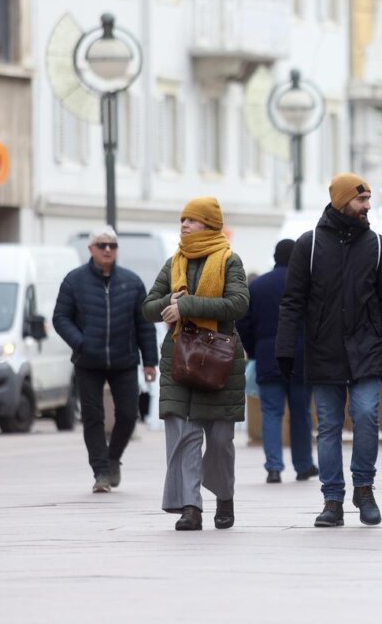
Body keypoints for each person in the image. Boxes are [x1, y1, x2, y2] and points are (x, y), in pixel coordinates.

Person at [276, 173, 382, 527]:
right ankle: (332, 498)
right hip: (324, 350)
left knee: (366, 417)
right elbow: (292, 302)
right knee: (330, 426)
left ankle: (364, 488)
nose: (367, 207)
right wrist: (286, 349)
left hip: (366, 349)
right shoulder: (310, 245)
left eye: (368, 201)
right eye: (360, 200)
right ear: (341, 201)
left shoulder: (377, 245)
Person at [142, 198, 249, 531]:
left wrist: (186, 305)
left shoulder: (229, 260)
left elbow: (238, 303)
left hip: (219, 360)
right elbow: (148, 307)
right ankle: (190, 506)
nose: (185, 225)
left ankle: (224, 496)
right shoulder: (173, 262)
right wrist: (169, 302)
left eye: (193, 220)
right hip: (179, 359)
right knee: (184, 436)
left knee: (219, 440)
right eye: (183, 220)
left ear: (210, 225)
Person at [52, 225, 158, 494]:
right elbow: (60, 318)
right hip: (88, 360)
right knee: (93, 416)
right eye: (102, 245)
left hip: (124, 359)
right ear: (91, 249)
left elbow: (144, 324)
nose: (108, 249)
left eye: (112, 245)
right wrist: (81, 342)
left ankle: (113, 458)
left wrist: (150, 362)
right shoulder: (74, 281)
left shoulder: (132, 282)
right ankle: (100, 471)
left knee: (127, 414)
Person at [236, 239, 318, 484]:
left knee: (271, 412)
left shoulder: (258, 286)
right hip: (301, 356)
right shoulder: (308, 285)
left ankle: (273, 467)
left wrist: (253, 349)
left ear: (274, 256)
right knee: (301, 413)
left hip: (267, 356)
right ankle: (303, 465)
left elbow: (243, 324)